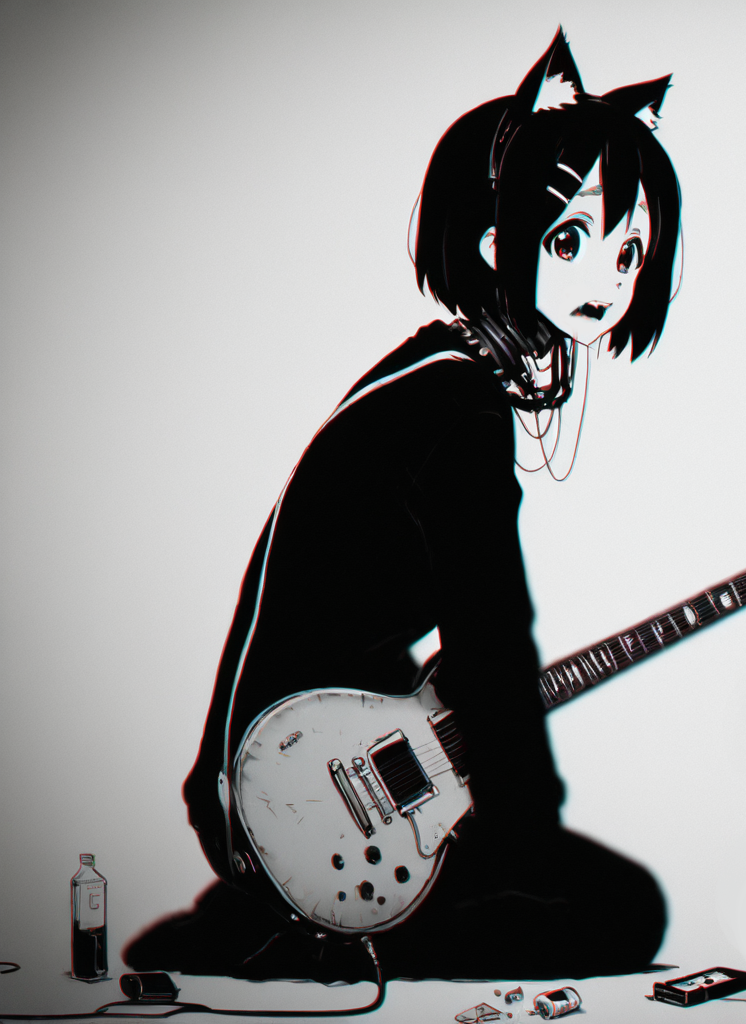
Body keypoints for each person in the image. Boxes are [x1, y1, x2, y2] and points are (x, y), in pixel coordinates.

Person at [125, 28, 682, 982]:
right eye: (571, 240)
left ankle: (284, 925)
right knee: (620, 911)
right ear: (493, 240)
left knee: (582, 896)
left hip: (302, 761)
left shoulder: (430, 372)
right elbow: (491, 633)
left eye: (630, 251)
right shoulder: (460, 406)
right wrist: (524, 829)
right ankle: (315, 946)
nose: (612, 279)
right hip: (295, 783)